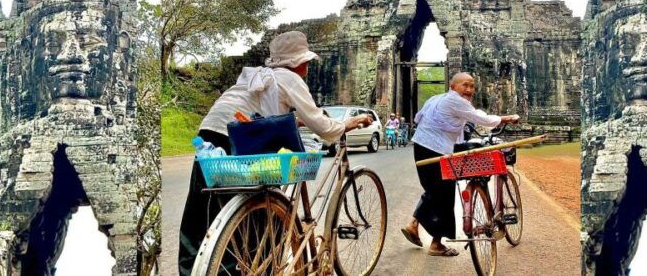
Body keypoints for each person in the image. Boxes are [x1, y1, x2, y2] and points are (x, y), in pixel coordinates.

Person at [178, 31, 371, 275]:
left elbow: (263, 114)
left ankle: (192, 269)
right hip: (238, 138)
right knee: (258, 213)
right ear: (298, 62)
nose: (308, 66)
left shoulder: (259, 75)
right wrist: (347, 124)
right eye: (307, 61)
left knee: (200, 214)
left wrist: (297, 121)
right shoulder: (290, 79)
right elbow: (323, 127)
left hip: (209, 135)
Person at [400, 72, 519, 257]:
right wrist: (506, 118)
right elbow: (481, 118)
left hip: (421, 146)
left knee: (433, 189)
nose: (470, 90)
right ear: (453, 87)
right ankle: (436, 244)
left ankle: (414, 225)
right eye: (465, 85)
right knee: (445, 194)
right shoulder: (456, 101)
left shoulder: (435, 99)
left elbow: (419, 118)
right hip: (436, 149)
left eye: (472, 86)